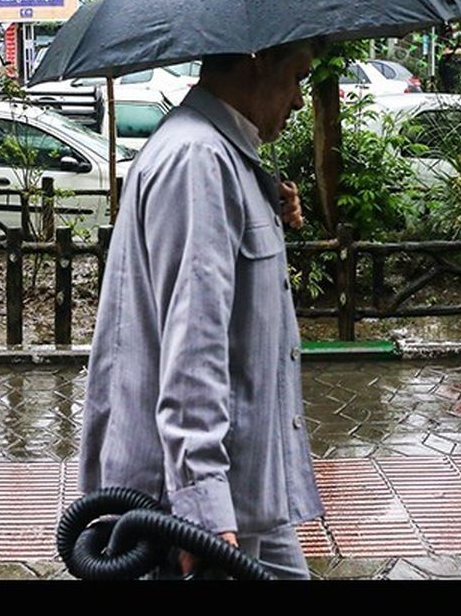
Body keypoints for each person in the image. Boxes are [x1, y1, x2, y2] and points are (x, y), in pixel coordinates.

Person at [79, 39, 324, 579]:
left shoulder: (222, 156)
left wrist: (264, 203)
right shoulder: (199, 161)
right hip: (197, 502)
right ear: (257, 60)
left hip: (248, 485)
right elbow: (195, 347)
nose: (300, 100)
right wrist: (202, 511)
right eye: (298, 78)